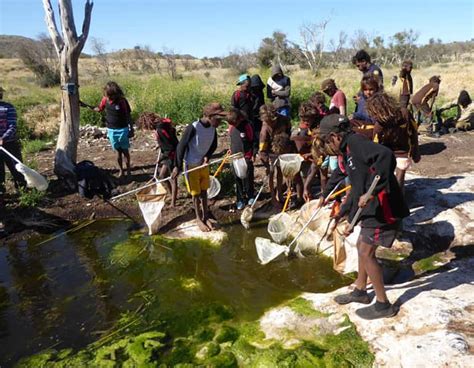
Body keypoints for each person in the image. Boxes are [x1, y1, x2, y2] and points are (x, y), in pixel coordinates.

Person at [317, 114, 409, 319]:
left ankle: (384, 304)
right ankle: (360, 290)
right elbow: (357, 188)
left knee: (366, 252)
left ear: (334, 136)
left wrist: (372, 193)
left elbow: (385, 155)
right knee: (361, 245)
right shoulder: (348, 151)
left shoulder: (356, 143)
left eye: (326, 141)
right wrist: (346, 216)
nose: (327, 145)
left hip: (383, 208)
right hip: (371, 208)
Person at [173, 103, 227, 232]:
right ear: (208, 116)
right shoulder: (194, 127)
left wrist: (207, 156)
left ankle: (206, 216)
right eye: (218, 119)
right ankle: (198, 218)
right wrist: (177, 166)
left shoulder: (213, 128)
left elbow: (213, 145)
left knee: (204, 191)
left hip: (203, 164)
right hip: (191, 164)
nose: (220, 122)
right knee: (195, 194)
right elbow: (181, 146)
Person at [366, 92, 420, 189]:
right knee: (387, 177)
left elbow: (414, 131)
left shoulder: (405, 114)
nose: (374, 117)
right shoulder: (379, 125)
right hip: (386, 151)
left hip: (403, 150)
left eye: (375, 113)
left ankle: (399, 199)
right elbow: (375, 146)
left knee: (400, 177)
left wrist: (416, 151)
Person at [82, 81, 134, 178]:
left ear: (116, 93)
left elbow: (128, 116)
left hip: (123, 129)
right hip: (111, 130)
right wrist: (86, 105)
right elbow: (99, 109)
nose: (110, 98)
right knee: (118, 152)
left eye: (112, 96)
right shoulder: (105, 100)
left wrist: (131, 129)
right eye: (108, 96)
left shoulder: (122, 101)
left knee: (125, 151)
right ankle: (121, 171)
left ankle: (129, 171)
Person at [259, 104, 291, 207]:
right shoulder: (264, 130)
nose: (270, 124)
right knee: (271, 172)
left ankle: (280, 194)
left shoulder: (284, 120)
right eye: (267, 122)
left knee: (280, 170)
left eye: (271, 122)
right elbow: (262, 149)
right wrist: (266, 162)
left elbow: (289, 132)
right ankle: (273, 198)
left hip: (282, 147)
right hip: (270, 150)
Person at [0, 86, 26, 195]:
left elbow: (13, 126)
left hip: (9, 144)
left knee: (17, 169)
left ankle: (23, 191)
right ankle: (1, 193)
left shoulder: (8, 107)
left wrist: (3, 138)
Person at [227, 108, 255, 210]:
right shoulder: (231, 127)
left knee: (247, 176)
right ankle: (240, 198)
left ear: (239, 118)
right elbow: (232, 140)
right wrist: (230, 149)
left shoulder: (247, 125)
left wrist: (253, 154)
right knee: (237, 177)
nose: (234, 125)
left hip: (246, 155)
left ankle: (250, 195)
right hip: (235, 156)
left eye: (235, 123)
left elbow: (252, 140)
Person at [250, 74, 266, 154]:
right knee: (253, 132)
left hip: (259, 115)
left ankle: (259, 147)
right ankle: (254, 148)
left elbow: (262, 103)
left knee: (260, 132)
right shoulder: (250, 93)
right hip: (252, 115)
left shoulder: (260, 92)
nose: (256, 88)